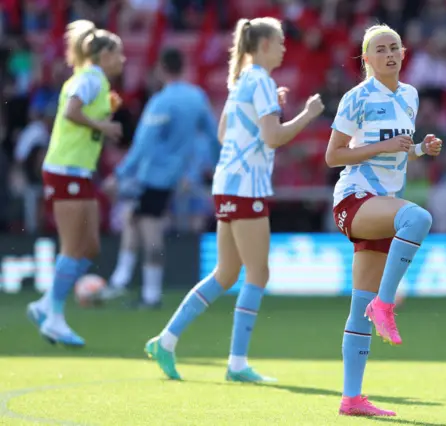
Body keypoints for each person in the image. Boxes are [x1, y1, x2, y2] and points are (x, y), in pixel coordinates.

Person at [144, 17, 325, 382]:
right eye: (278, 42)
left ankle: (166, 340)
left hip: (228, 183)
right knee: (258, 272)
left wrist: (267, 111)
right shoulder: (260, 80)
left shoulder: (245, 80)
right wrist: (307, 115)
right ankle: (237, 363)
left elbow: (225, 130)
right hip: (247, 186)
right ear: (261, 47)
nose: (284, 47)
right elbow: (273, 138)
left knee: (226, 273)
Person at [325, 24, 443, 416]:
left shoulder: (409, 95)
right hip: (355, 199)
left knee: (359, 301)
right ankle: (386, 305)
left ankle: (352, 398)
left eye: (395, 47)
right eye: (381, 49)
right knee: (418, 218)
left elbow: (400, 151)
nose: (390, 53)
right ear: (367, 59)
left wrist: (421, 150)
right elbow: (333, 156)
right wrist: (383, 146)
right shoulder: (355, 98)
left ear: (404, 53)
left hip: (382, 204)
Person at [26, 20, 125, 347]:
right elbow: (70, 112)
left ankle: (44, 304)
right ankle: (53, 315)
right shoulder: (88, 79)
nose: (123, 59)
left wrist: (103, 121)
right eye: (118, 53)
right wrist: (103, 124)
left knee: (91, 246)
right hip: (65, 169)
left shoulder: (98, 84)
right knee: (72, 246)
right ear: (104, 54)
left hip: (79, 171)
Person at [99, 47, 221, 309]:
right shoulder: (197, 98)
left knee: (150, 230)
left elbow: (143, 146)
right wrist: (217, 166)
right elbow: (212, 136)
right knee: (134, 218)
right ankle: (121, 280)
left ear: (162, 69)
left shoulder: (160, 102)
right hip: (178, 174)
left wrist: (119, 175)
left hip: (154, 176)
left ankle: (150, 294)